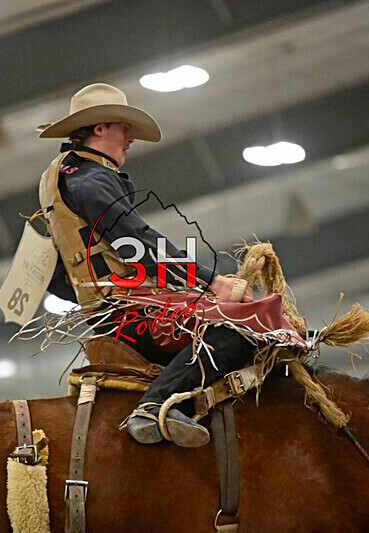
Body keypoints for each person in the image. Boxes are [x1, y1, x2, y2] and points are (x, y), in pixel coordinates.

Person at [37, 83, 257, 448]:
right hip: (126, 307)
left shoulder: (62, 180)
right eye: (125, 128)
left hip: (108, 307)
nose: (130, 139)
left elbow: (55, 272)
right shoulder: (92, 181)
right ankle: (154, 405)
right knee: (239, 330)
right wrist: (210, 282)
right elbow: (138, 241)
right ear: (100, 127)